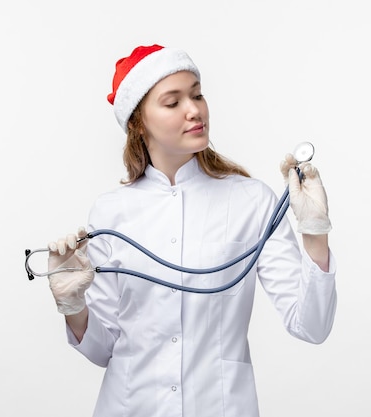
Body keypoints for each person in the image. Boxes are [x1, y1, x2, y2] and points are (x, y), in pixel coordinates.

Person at [46, 44, 337, 417]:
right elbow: (104, 350)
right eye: (173, 102)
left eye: (197, 94)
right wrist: (74, 308)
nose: (194, 109)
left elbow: (311, 326)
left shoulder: (252, 201)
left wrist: (314, 233)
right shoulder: (110, 211)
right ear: (138, 122)